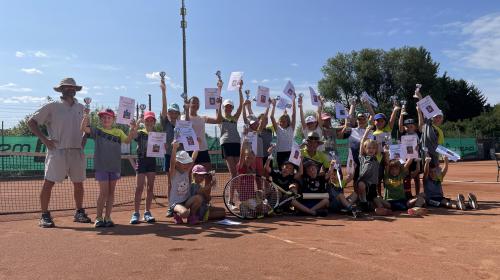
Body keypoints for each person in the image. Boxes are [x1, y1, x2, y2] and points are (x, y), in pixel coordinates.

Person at [28, 77, 91, 228]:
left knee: (79, 184)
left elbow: (88, 129)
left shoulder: (82, 108)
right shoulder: (52, 106)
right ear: (61, 89)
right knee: (48, 183)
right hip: (57, 151)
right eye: (67, 87)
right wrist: (45, 141)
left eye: (73, 87)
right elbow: (31, 122)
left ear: (76, 90)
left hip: (76, 152)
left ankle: (79, 212)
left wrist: (83, 142)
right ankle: (44, 215)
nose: (71, 89)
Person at [81, 108, 136, 227]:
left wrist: (132, 129)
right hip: (102, 167)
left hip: (115, 166)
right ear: (101, 120)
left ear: (113, 119)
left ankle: (108, 217)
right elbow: (83, 129)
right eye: (104, 117)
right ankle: (99, 218)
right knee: (103, 193)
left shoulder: (119, 132)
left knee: (111, 193)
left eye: (109, 117)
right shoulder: (97, 131)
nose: (106, 119)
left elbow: (127, 141)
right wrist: (86, 115)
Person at [129, 111, 159, 224]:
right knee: (139, 188)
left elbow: (161, 148)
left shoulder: (157, 135)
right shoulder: (140, 133)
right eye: (147, 120)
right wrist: (136, 123)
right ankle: (136, 213)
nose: (149, 122)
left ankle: (147, 212)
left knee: (150, 188)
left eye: (151, 120)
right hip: (141, 160)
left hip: (151, 161)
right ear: (144, 121)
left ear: (154, 122)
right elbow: (133, 134)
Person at [356, 119, 390, 214]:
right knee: (361, 184)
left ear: (376, 150)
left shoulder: (377, 158)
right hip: (364, 184)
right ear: (365, 149)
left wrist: (385, 148)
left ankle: (378, 204)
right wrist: (367, 131)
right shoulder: (362, 157)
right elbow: (362, 141)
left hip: (372, 187)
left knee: (385, 206)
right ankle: (363, 202)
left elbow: (379, 147)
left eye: (373, 148)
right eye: (369, 148)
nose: (371, 150)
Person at [264, 146, 310, 214]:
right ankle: (270, 207)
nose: (287, 169)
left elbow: (300, 172)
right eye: (286, 167)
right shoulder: (276, 173)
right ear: (282, 167)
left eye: (290, 169)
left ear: (292, 172)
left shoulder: (292, 176)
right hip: (274, 198)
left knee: (292, 189)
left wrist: (300, 161)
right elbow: (266, 168)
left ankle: (283, 208)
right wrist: (269, 155)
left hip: (285, 199)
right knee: (276, 192)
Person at [185, 90, 223, 171]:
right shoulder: (184, 117)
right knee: (189, 174)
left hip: (203, 149)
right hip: (190, 149)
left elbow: (218, 120)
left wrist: (219, 105)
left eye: (198, 103)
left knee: (208, 173)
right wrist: (186, 110)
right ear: (189, 104)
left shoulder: (203, 118)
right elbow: (186, 125)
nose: (196, 104)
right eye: (194, 102)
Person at [168, 140, 198, 224]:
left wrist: (196, 146)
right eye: (183, 163)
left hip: (186, 200)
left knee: (199, 198)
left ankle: (191, 217)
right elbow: (172, 162)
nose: (186, 165)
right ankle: (176, 214)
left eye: (187, 163)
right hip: (175, 203)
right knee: (185, 213)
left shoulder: (187, 170)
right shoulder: (173, 173)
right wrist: (174, 148)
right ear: (177, 163)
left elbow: (193, 158)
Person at [219, 80, 244, 178]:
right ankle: (231, 194)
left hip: (236, 144)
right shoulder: (220, 118)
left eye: (230, 106)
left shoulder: (235, 118)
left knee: (238, 171)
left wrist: (240, 89)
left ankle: (239, 192)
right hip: (226, 145)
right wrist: (219, 88)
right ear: (223, 108)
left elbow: (241, 105)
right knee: (233, 173)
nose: (228, 108)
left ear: (232, 108)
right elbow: (217, 105)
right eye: (226, 106)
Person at [242, 98, 271, 177]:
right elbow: (244, 117)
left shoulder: (258, 131)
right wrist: (243, 106)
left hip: (259, 156)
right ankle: (250, 189)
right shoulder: (247, 131)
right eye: (252, 123)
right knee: (250, 175)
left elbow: (264, 117)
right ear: (249, 124)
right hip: (251, 157)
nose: (254, 124)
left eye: (256, 123)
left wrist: (268, 106)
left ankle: (260, 189)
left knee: (260, 175)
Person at [398, 114, 422, 198]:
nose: (409, 128)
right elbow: (400, 125)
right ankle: (406, 193)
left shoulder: (418, 134)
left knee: (416, 177)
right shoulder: (403, 135)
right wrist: (401, 114)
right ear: (404, 128)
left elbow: (421, 123)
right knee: (406, 176)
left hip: (415, 158)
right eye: (407, 126)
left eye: (411, 126)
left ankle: (417, 194)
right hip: (405, 159)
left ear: (415, 127)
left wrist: (418, 111)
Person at [270, 95, 296, 167]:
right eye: (280, 121)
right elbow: (272, 117)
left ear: (288, 122)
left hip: (290, 152)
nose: (282, 123)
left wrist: (293, 100)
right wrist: (274, 106)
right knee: (282, 171)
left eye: (284, 121)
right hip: (280, 153)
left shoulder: (291, 128)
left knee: (290, 171)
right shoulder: (278, 129)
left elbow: (294, 114)